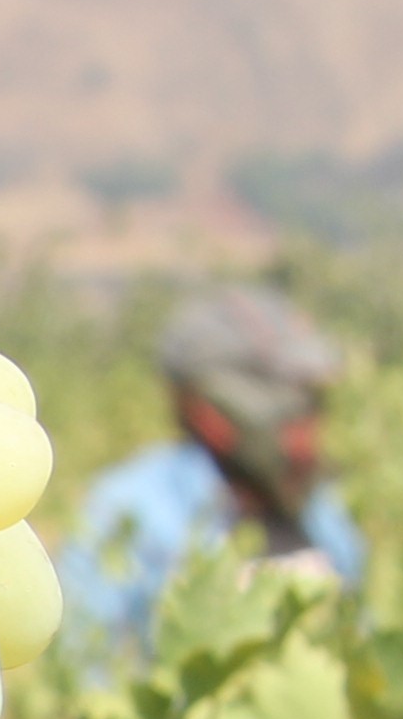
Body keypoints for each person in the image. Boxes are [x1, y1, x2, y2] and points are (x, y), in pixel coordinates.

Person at [62, 281, 367, 666]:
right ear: (210, 413)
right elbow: (82, 671)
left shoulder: (319, 511)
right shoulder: (127, 512)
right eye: (294, 409)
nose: (310, 437)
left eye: (317, 408)